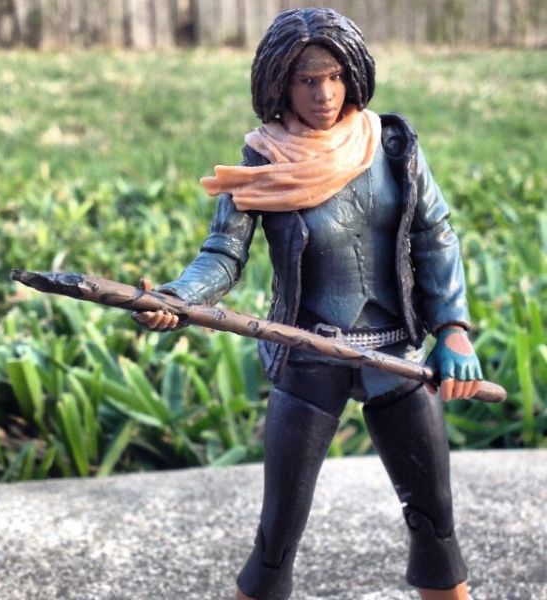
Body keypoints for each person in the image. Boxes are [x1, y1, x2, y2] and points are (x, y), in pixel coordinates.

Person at [134, 8, 482, 600]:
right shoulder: (262, 162)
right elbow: (223, 254)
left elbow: (434, 235)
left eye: (335, 77)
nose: (324, 95)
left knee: (434, 520)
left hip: (395, 355)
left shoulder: (391, 145)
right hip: (308, 356)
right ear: (280, 85)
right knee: (279, 531)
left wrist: (451, 327)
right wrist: (176, 298)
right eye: (307, 80)